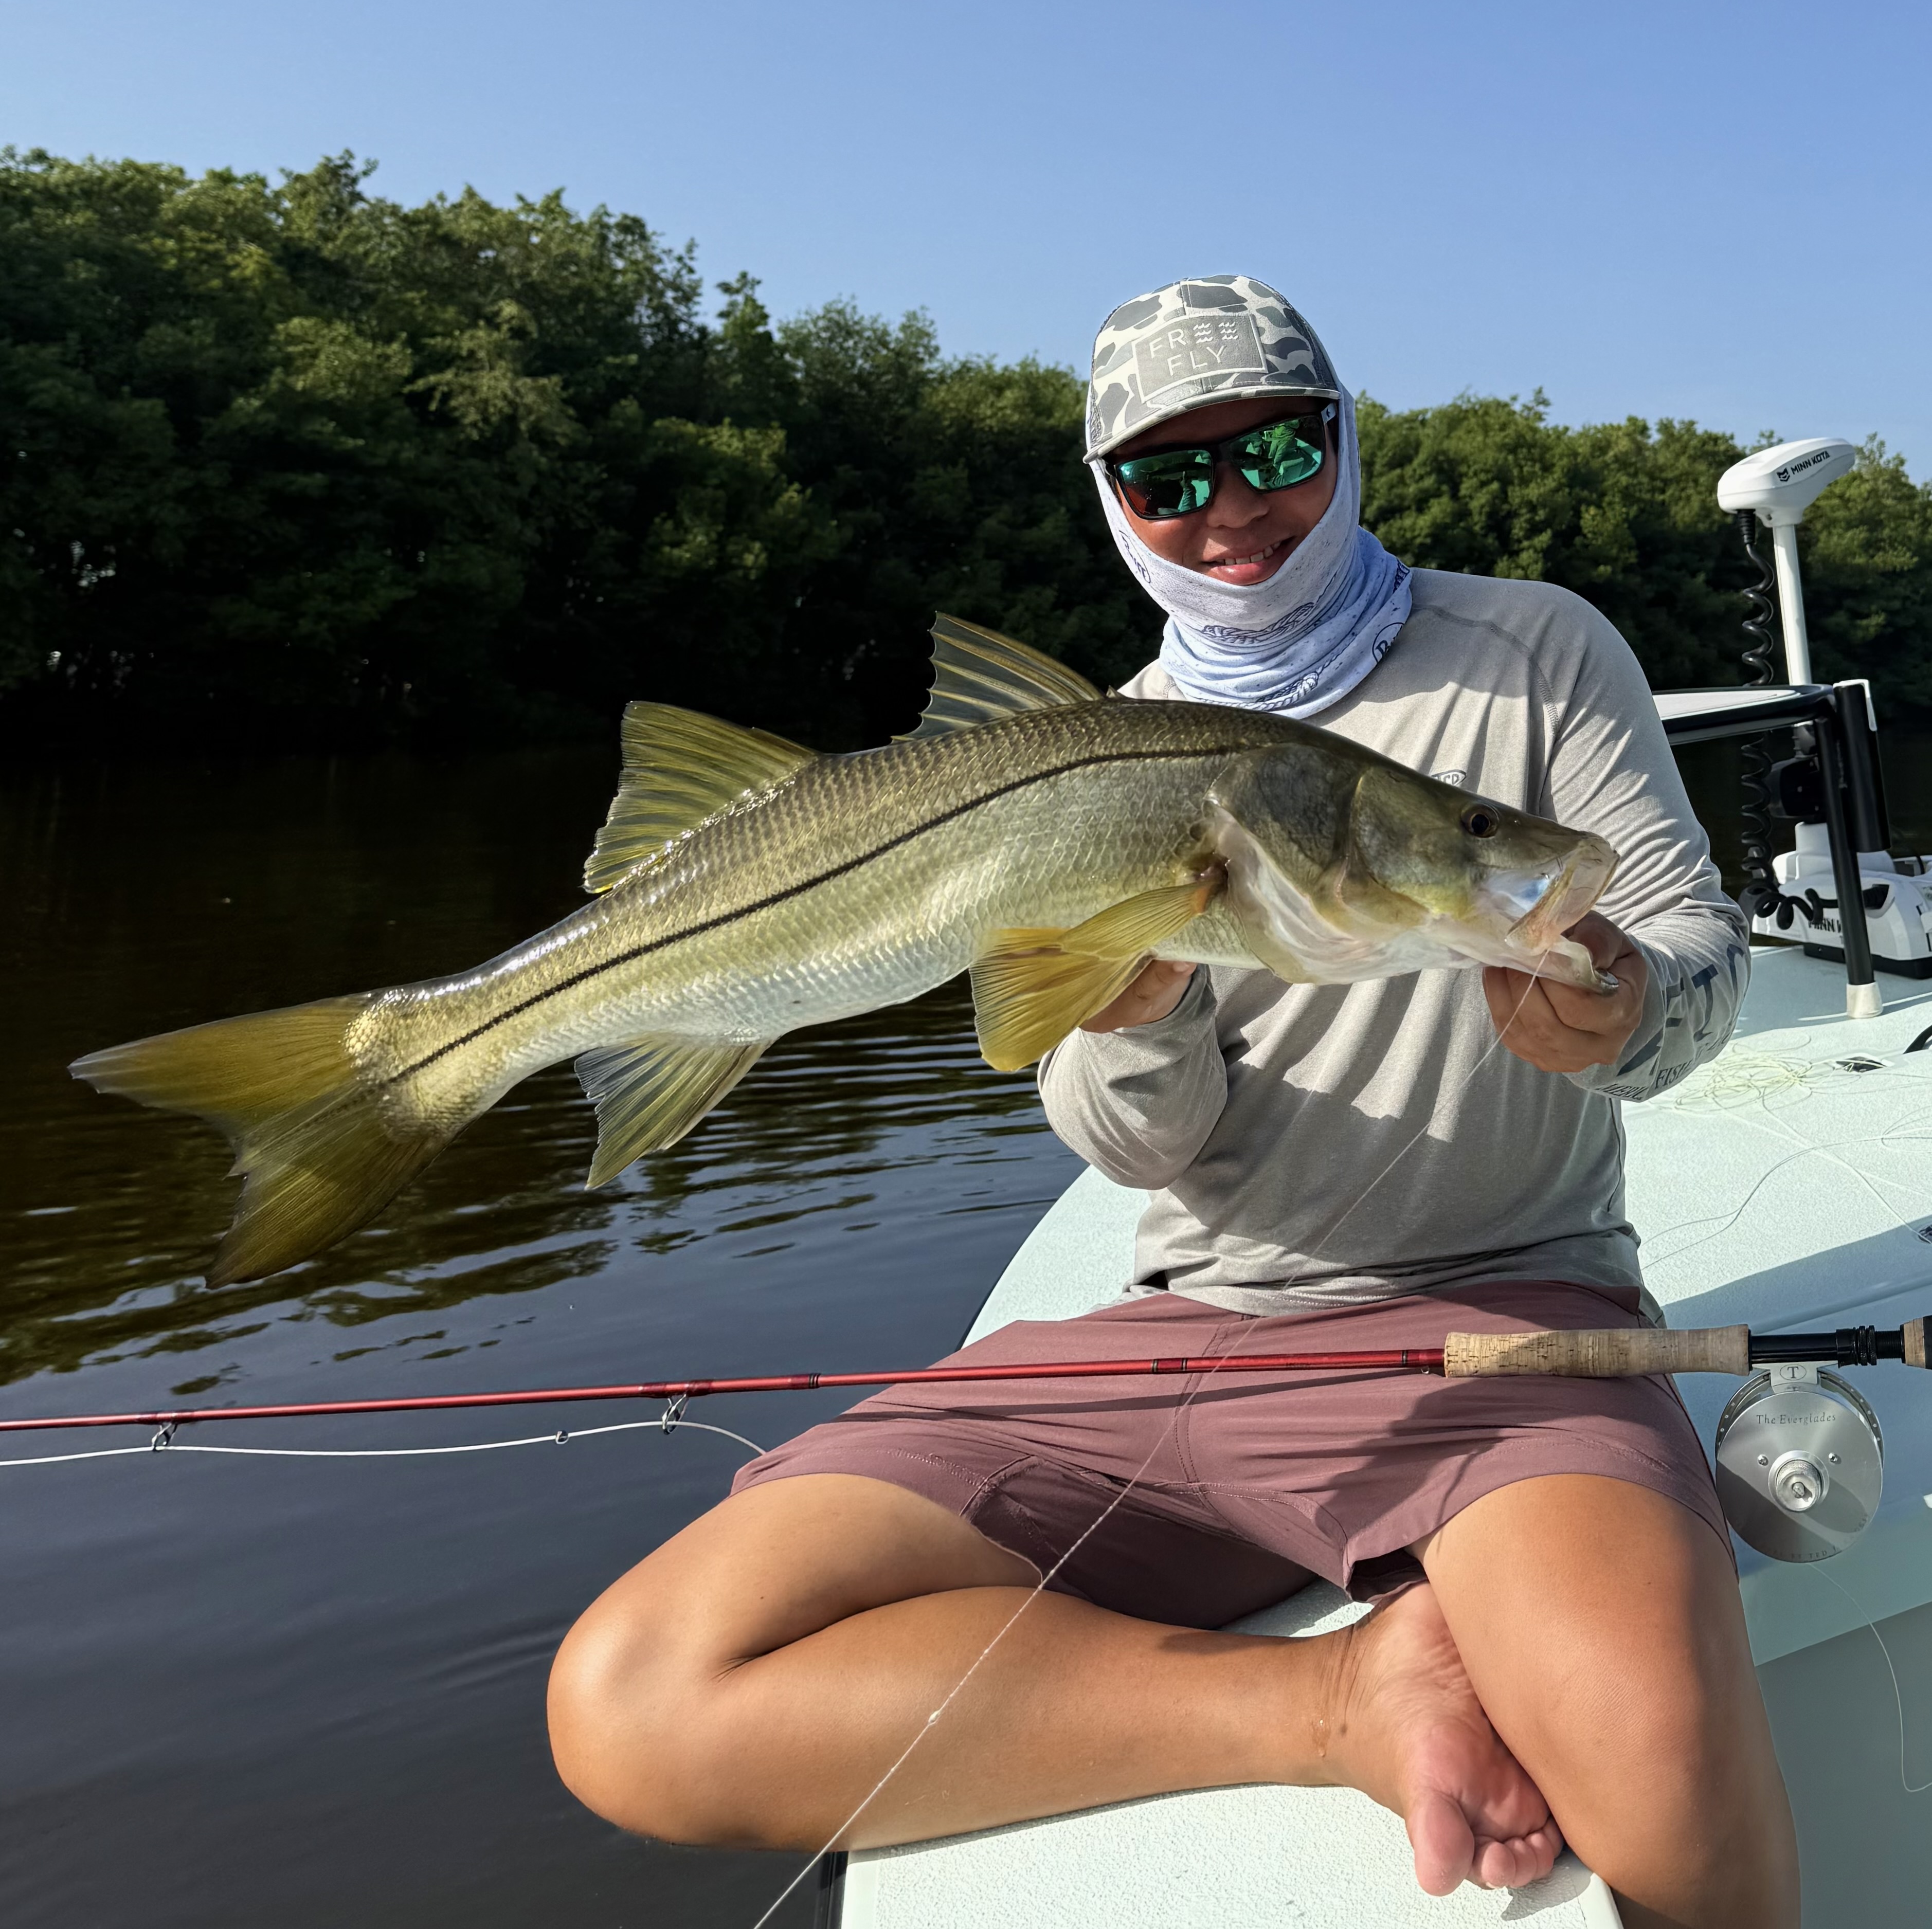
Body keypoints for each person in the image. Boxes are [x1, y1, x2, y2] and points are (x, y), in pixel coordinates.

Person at [546, 275, 1797, 1928]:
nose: (1232, 509)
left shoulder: (1536, 650)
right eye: (1167, 475)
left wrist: (1626, 1006)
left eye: (1274, 447)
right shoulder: (1093, 745)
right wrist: (1139, 1014)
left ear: (1342, 440)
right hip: (1184, 1332)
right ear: (1113, 502)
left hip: (1507, 1322)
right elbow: (1135, 1145)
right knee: (633, 1691)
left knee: (1676, 1800)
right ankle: (1343, 1697)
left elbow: (1700, 948)